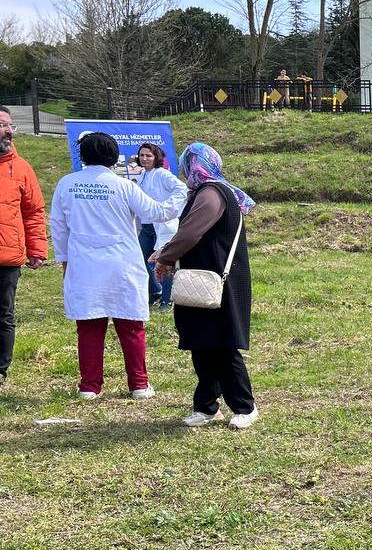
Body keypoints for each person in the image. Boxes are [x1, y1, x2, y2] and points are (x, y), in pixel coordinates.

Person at [48, 132, 185, 400]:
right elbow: (157, 212)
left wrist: (64, 262)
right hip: (122, 265)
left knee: (88, 326)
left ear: (83, 156)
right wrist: (181, 194)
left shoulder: (67, 184)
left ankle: (89, 386)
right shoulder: (124, 186)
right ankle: (139, 384)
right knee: (131, 326)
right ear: (113, 157)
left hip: (84, 264)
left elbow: (59, 229)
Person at [152, 144, 259, 429]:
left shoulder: (212, 193)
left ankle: (245, 407)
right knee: (201, 344)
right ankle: (206, 406)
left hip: (215, 282)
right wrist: (167, 252)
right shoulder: (206, 192)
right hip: (201, 280)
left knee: (222, 346)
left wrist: (165, 256)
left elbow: (190, 232)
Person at [0, 104, 47, 390]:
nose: (8, 130)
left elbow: (33, 211)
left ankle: (0, 371)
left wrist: (38, 249)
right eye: (2, 124)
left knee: (2, 316)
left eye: (10, 125)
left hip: (7, 258)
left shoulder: (22, 168)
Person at [133, 143, 185, 313]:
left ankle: (167, 300)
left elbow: (182, 189)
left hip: (162, 226)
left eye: (148, 155)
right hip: (147, 227)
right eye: (142, 155)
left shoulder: (162, 174)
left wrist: (165, 208)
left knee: (163, 262)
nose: (144, 158)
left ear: (156, 157)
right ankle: (155, 292)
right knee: (141, 262)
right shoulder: (142, 175)